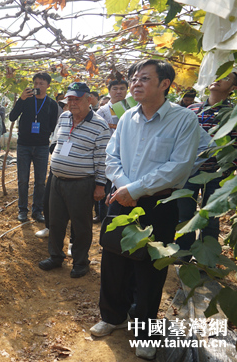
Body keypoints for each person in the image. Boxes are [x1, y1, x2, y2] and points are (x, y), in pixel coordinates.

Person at [90, 60, 206, 361]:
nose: (135, 84)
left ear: (165, 84)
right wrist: (126, 188)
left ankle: (144, 331)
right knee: (114, 260)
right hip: (123, 197)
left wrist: (136, 190)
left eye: (143, 78)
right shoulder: (127, 117)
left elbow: (179, 166)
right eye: (133, 79)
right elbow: (112, 156)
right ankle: (113, 317)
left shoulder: (183, 119)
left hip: (159, 203)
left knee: (151, 270)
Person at [38, 83, 110, 278]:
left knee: (81, 224)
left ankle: (80, 262)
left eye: (77, 99)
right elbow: (56, 140)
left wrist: (100, 185)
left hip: (81, 182)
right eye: (70, 99)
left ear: (89, 99)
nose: (72, 103)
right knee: (55, 221)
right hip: (57, 179)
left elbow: (102, 158)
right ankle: (55, 256)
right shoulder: (64, 117)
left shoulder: (100, 125)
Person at [177, 72, 237, 255]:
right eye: (218, 75)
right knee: (184, 215)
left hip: (218, 174)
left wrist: (227, 168)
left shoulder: (233, 113)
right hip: (189, 171)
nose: (218, 79)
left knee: (210, 218)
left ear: (233, 88)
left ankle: (207, 259)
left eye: (226, 78)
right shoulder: (192, 109)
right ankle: (184, 254)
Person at [9, 72, 60, 223]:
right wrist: (21, 100)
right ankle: (22, 210)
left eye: (41, 83)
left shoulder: (51, 104)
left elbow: (53, 125)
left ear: (48, 86)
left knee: (40, 181)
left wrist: (44, 134)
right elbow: (12, 117)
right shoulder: (26, 100)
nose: (37, 86)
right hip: (23, 145)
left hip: (42, 146)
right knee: (22, 180)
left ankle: (37, 210)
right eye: (35, 83)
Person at [95, 79, 129, 223]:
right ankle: (103, 217)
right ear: (109, 91)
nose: (119, 91)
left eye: (122, 88)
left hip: (127, 156)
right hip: (108, 156)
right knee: (106, 187)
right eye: (115, 88)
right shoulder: (102, 111)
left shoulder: (133, 108)